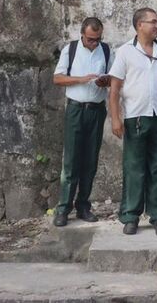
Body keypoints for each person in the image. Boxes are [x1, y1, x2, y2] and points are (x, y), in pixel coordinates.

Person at [108, 8, 157, 236]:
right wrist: (116, 119)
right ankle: (131, 216)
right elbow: (114, 88)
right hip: (135, 118)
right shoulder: (125, 52)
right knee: (134, 168)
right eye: (153, 22)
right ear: (139, 25)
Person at [52, 17, 111, 227]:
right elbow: (57, 78)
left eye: (97, 39)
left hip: (96, 110)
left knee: (90, 160)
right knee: (71, 161)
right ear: (82, 35)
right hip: (76, 109)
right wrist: (81, 79)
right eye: (90, 39)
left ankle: (83, 205)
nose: (94, 43)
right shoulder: (72, 49)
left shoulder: (105, 50)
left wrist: (105, 81)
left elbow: (113, 78)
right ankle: (63, 208)